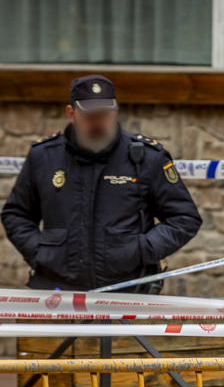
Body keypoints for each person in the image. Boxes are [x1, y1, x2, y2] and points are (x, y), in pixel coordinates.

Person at [2, 75, 201, 291]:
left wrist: (143, 249)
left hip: (128, 291)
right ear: (72, 114)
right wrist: (39, 252)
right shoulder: (43, 156)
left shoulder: (147, 158)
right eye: (90, 116)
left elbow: (184, 217)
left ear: (114, 112)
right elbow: (16, 214)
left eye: (104, 115)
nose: (98, 123)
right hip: (56, 291)